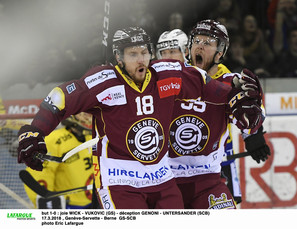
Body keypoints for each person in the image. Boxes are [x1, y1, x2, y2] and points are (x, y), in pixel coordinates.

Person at [17, 26, 263, 209]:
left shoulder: (167, 74)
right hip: (119, 179)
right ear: (119, 57)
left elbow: (208, 87)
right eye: (133, 54)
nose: (141, 59)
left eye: (144, 52)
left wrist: (240, 91)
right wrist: (35, 130)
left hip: (162, 178)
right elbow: (60, 98)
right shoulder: (103, 82)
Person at [156, 20, 270, 208]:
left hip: (207, 180)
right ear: (188, 49)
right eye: (197, 41)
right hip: (165, 179)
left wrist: (253, 132)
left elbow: (250, 115)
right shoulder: (169, 79)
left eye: (208, 42)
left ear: (220, 53)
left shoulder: (231, 83)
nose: (200, 45)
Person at [24, 112, 94, 209]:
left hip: (95, 202)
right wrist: (46, 200)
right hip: (68, 205)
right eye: (83, 114)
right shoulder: (53, 140)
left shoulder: (94, 137)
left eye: (89, 113)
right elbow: (40, 173)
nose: (88, 117)